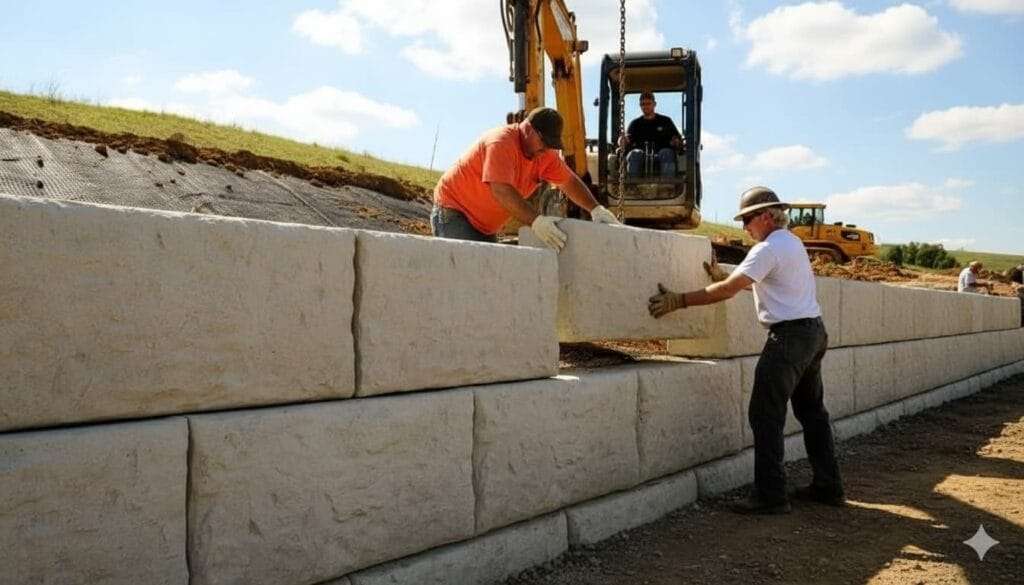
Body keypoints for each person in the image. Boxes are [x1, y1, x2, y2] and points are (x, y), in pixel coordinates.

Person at [648, 186, 844, 515]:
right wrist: (727, 276)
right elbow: (761, 282)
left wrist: (677, 300)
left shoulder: (767, 248)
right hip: (813, 333)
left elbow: (727, 291)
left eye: (748, 219)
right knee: (812, 413)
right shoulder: (791, 242)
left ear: (767, 216)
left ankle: (770, 495)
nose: (744, 228)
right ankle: (829, 486)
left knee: (765, 415)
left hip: (790, 339)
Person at [432, 107, 619, 249]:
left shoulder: (545, 154)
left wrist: (596, 209)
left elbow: (568, 181)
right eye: (544, 143)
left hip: (486, 227)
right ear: (529, 129)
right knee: (467, 276)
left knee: (486, 281)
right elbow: (501, 189)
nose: (546, 149)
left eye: (550, 145)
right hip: (455, 212)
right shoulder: (501, 142)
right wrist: (536, 221)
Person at [622, 92, 683, 178]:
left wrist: (676, 142)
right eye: (643, 104)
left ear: (654, 104)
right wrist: (623, 141)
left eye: (648, 104)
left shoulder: (666, 121)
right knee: (634, 154)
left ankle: (667, 186)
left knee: (666, 152)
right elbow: (628, 139)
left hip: (661, 154)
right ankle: (632, 186)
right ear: (640, 105)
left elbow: (676, 138)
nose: (645, 106)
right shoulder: (635, 124)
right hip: (641, 156)